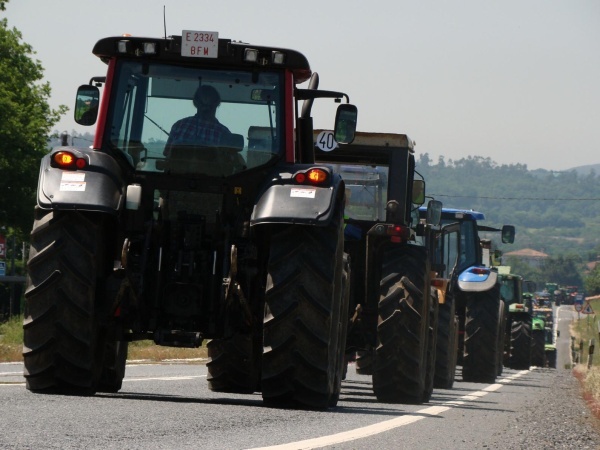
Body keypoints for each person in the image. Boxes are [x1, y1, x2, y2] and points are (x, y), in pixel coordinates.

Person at [164, 85, 232, 156]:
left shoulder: (179, 125)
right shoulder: (225, 133)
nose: (206, 106)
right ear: (218, 103)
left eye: (208, 103)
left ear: (195, 103)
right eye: (203, 102)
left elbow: (166, 153)